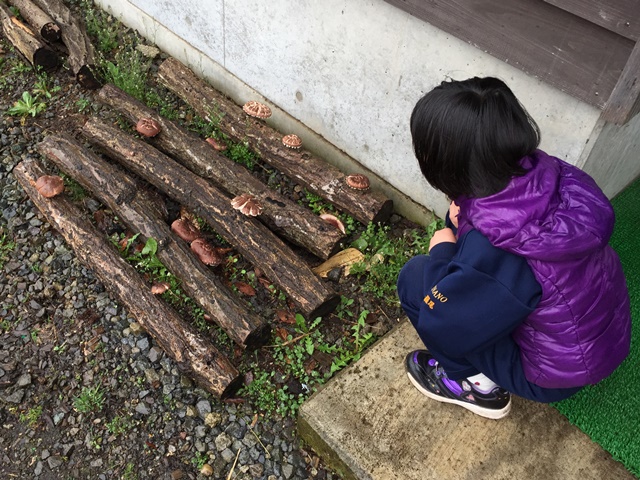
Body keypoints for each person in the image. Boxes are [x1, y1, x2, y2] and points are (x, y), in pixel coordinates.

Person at [397, 77, 632, 419]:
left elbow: (444, 320)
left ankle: (479, 389)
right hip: (600, 341)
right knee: (458, 235)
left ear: (442, 165)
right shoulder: (549, 170)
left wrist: (443, 252)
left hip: (552, 375)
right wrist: (463, 220)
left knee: (415, 279)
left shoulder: (497, 249)